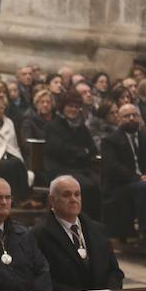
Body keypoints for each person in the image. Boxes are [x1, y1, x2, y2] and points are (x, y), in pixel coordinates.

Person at [100, 103, 146, 248]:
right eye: (127, 116)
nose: (131, 118)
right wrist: (139, 178)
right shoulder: (109, 140)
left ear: (140, 118)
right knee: (144, 188)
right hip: (120, 185)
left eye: (135, 115)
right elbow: (112, 168)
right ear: (118, 119)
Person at [43, 89, 101, 217]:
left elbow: (92, 150)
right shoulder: (53, 126)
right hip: (59, 168)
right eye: (70, 106)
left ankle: (95, 225)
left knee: (100, 183)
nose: (73, 109)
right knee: (84, 186)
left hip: (80, 168)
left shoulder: (82, 127)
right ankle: (78, 221)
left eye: (77, 107)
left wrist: (79, 152)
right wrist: (81, 152)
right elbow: (58, 150)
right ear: (63, 107)